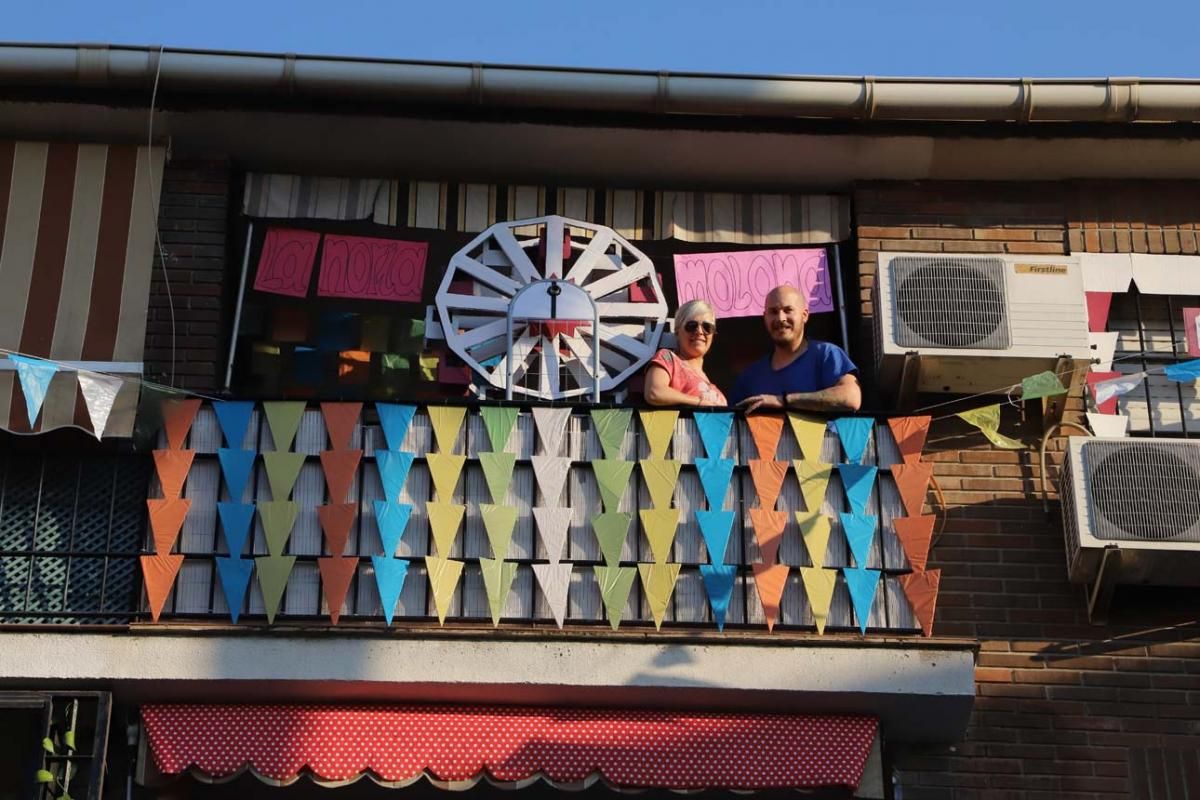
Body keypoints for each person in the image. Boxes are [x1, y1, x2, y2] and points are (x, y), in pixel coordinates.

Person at [730, 285, 861, 413]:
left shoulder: (826, 355)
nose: (780, 318)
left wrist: (783, 401)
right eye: (773, 312)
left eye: (788, 310)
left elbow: (851, 398)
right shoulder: (750, 377)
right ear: (765, 317)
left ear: (805, 315)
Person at [644, 299, 728, 407]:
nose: (700, 332)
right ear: (677, 331)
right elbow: (654, 392)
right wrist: (698, 402)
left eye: (707, 327)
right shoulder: (668, 359)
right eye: (692, 326)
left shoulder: (710, 382)